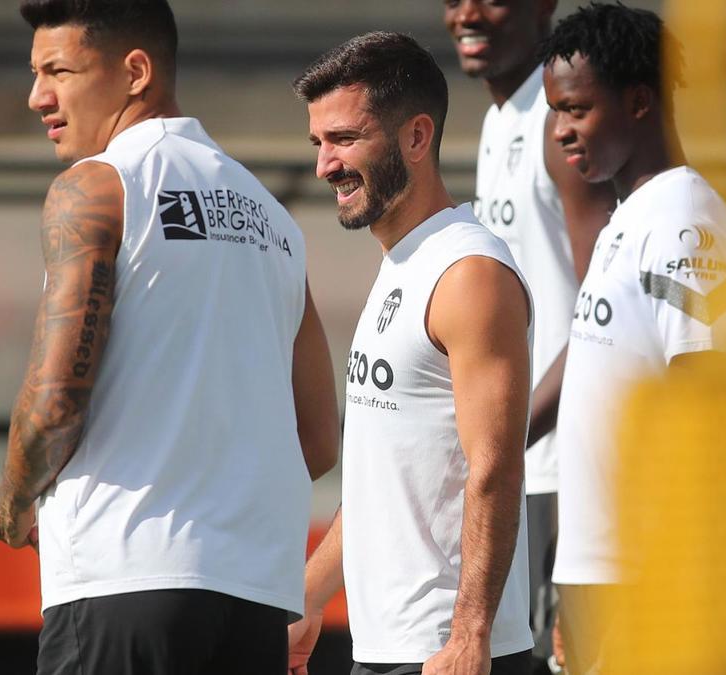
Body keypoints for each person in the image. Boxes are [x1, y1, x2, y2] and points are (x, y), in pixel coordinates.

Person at [0, 1, 340, 673]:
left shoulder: (97, 187)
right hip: (255, 601)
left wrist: (11, 498)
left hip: (121, 581)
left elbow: (53, 403)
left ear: (136, 71)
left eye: (57, 69)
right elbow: (318, 439)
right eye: (35, 73)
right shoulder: (272, 218)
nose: (37, 96)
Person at [288, 31, 535, 675]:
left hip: (447, 655)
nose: (324, 165)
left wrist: (470, 637)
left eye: (344, 139)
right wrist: (308, 597)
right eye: (318, 143)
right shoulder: (404, 262)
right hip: (387, 649)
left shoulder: (468, 272)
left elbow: (498, 469)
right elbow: (383, 476)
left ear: (416, 137)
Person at [538, 3, 726, 672]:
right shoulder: (630, 218)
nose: (561, 131)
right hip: (595, 566)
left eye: (576, 109)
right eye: (554, 112)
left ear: (637, 101)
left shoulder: (685, 220)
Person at [441, 2, 617, 670]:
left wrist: (503, 439)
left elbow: (604, 319)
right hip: (524, 465)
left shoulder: (558, 121)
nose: (467, 13)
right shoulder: (500, 119)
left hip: (564, 469)